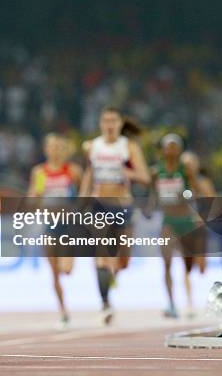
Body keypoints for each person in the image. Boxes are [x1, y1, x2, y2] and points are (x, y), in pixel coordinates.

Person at [79, 107, 150, 324]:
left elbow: (145, 177)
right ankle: (105, 303)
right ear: (101, 123)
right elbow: (89, 173)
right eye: (106, 120)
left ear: (120, 124)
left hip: (123, 206)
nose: (109, 124)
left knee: (123, 260)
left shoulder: (128, 147)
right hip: (99, 204)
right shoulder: (92, 146)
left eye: (113, 120)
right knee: (101, 254)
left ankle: (109, 281)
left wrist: (126, 172)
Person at [27, 133, 82, 328]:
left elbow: (83, 194)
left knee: (66, 269)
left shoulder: (73, 171)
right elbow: (31, 199)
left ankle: (64, 261)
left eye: (59, 147)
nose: (56, 151)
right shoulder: (39, 172)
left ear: (64, 150)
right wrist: (36, 196)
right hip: (49, 225)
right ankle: (63, 311)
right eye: (52, 147)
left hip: (68, 226)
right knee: (55, 274)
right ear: (46, 150)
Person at [150, 133, 198, 319]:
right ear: (163, 150)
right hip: (168, 221)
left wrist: (184, 194)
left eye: (174, 146)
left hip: (185, 220)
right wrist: (150, 207)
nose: (170, 150)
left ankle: (190, 302)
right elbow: (154, 194)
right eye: (168, 146)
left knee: (188, 264)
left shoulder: (185, 169)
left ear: (179, 150)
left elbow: (193, 191)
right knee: (167, 262)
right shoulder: (156, 171)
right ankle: (171, 303)